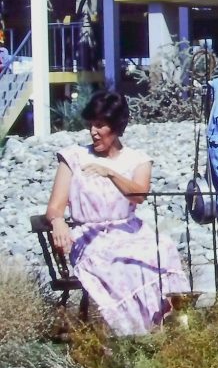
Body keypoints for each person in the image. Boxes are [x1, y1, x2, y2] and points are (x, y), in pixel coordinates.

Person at [44, 90, 188, 335]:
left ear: (117, 127)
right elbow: (55, 206)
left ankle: (165, 323)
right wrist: (58, 222)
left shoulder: (137, 160)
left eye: (100, 126)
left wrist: (111, 173)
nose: (93, 132)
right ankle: (129, 331)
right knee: (117, 260)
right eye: (91, 125)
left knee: (161, 249)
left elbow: (139, 195)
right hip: (91, 234)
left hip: (129, 229)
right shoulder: (74, 157)